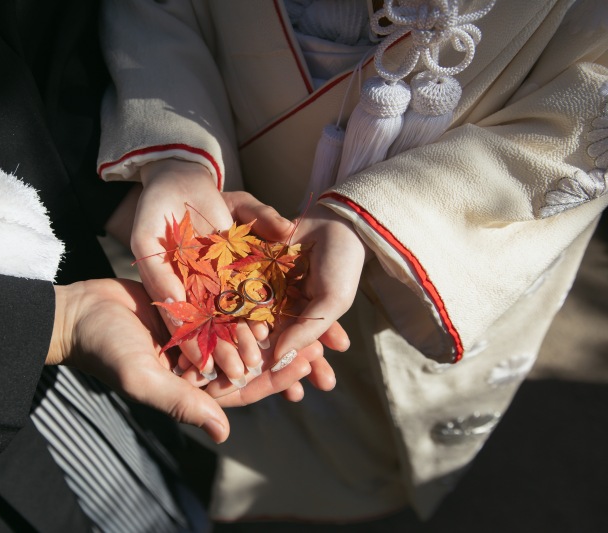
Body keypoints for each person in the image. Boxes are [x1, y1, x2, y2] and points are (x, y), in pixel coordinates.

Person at [0, 1, 327, 531]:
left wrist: (131, 193)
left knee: (144, 478)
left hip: (83, 300)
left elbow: (37, 35)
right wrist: (54, 324)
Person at [98, 0, 608, 524]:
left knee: (378, 403)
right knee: (270, 381)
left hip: (449, 231)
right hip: (232, 177)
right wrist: (179, 161)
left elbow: (588, 99)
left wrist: (371, 218)